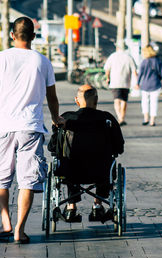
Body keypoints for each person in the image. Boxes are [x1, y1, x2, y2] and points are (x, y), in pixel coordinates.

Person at [0, 17, 63, 244]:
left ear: (12, 35)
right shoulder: (43, 61)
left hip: (3, 126)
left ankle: (5, 221)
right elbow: (52, 97)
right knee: (28, 178)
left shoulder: (0, 58)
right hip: (30, 126)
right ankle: (19, 229)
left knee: (0, 175)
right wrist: (56, 118)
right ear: (34, 36)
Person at [48, 84, 124, 223]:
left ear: (77, 101)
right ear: (96, 100)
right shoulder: (107, 119)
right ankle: (97, 205)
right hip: (100, 171)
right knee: (106, 164)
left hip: (71, 171)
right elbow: (119, 147)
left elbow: (53, 148)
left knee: (66, 159)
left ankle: (71, 207)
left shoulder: (65, 119)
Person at [104, 43, 137, 126]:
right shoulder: (129, 57)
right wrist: (135, 82)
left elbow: (107, 69)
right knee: (124, 100)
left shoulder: (112, 56)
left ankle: (119, 117)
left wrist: (107, 78)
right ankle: (122, 117)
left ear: (117, 47)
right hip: (126, 82)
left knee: (116, 100)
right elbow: (134, 70)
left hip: (115, 82)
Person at [135, 45, 162, 126]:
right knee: (154, 103)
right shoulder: (157, 61)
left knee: (145, 102)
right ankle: (152, 121)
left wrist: (137, 83)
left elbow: (140, 74)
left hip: (145, 85)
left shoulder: (144, 62)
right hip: (155, 84)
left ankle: (146, 119)